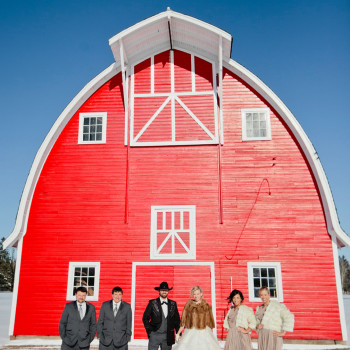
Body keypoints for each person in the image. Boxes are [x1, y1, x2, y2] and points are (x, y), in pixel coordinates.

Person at [142, 281, 180, 350]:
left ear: (168, 291)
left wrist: (179, 333)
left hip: (168, 336)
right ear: (159, 291)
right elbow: (145, 318)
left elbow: (177, 321)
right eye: (162, 290)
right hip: (154, 335)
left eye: (166, 290)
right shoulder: (152, 303)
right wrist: (150, 332)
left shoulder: (173, 304)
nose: (164, 292)